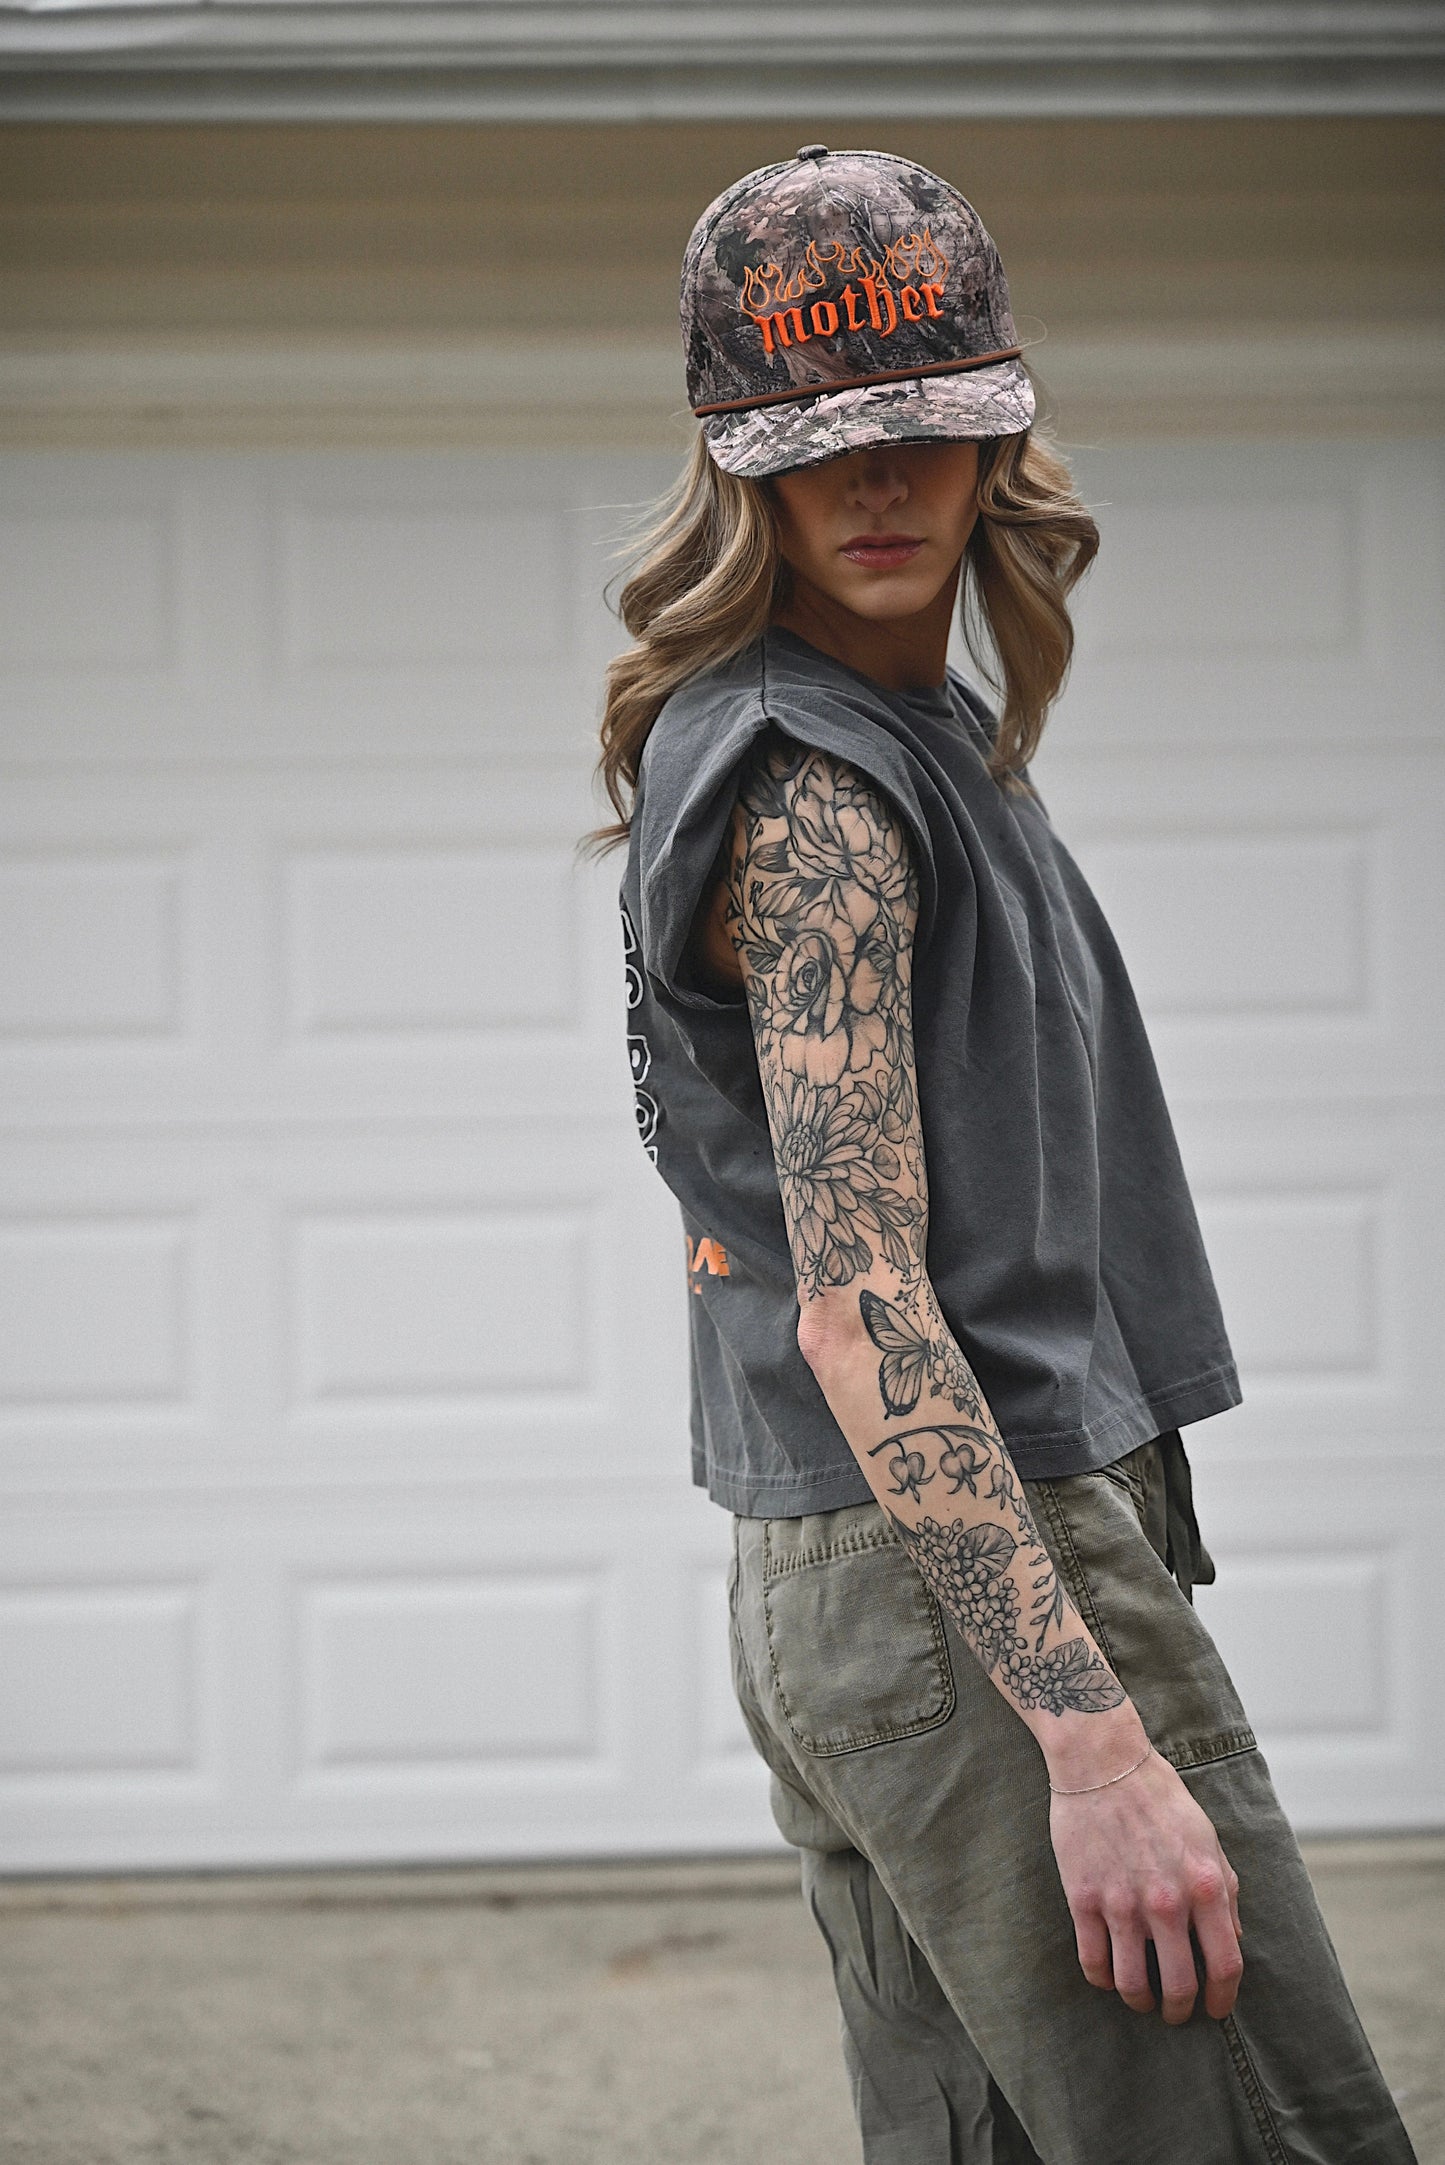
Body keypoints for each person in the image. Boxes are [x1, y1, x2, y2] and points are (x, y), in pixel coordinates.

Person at [598, 146, 1415, 2164]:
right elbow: (864, 1304)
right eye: (818, 446)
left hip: (873, 1586)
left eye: (925, 429)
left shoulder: (920, 734)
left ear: (994, 442)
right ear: (742, 474)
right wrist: (1094, 1738)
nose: (878, 483)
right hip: (970, 1567)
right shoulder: (815, 795)